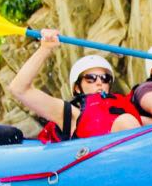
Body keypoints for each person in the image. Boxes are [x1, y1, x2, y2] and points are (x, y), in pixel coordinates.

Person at [8, 28, 141, 141]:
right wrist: (45, 49)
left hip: (132, 150)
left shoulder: (122, 106)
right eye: (91, 78)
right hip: (98, 161)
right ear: (77, 87)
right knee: (126, 121)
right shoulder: (70, 113)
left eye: (105, 78)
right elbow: (19, 88)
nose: (100, 82)